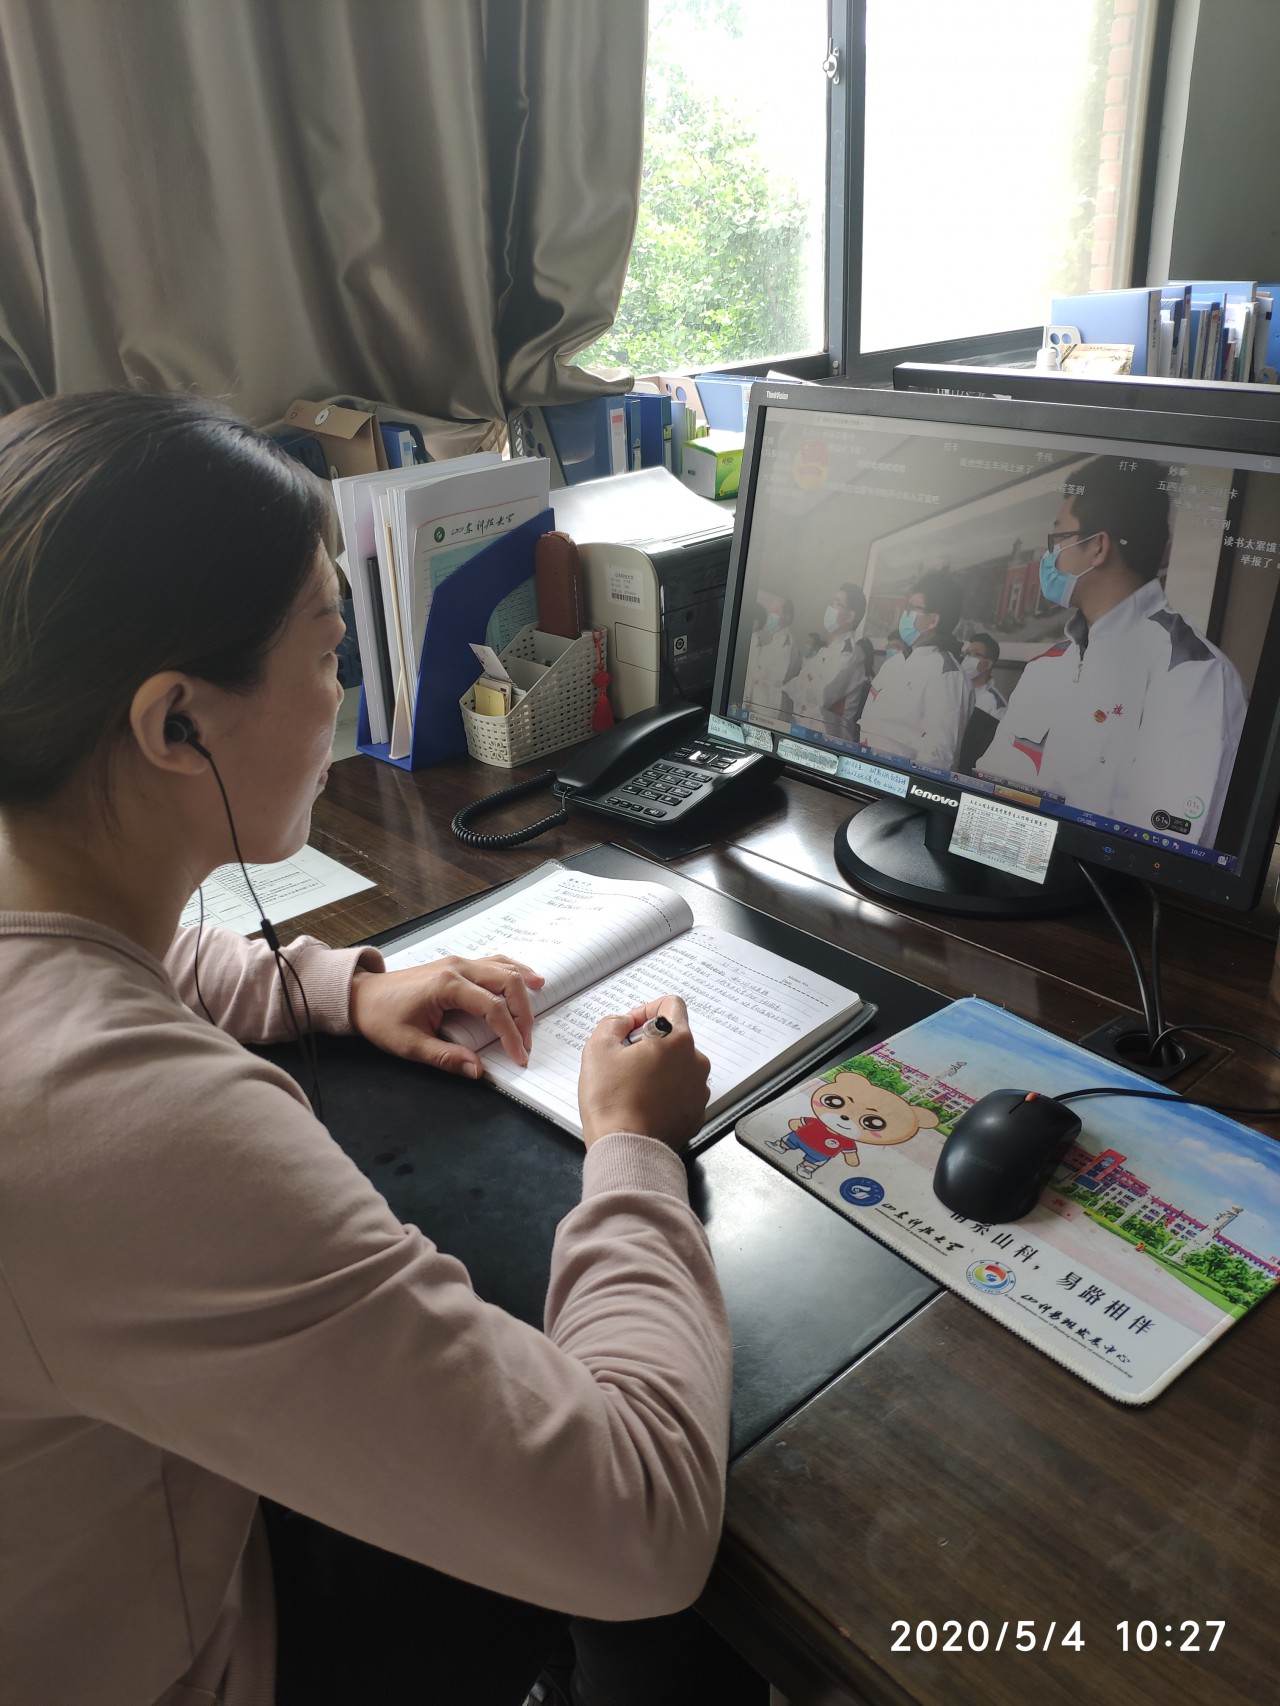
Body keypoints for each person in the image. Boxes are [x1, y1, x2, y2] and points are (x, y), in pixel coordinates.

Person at [0, 393, 737, 1706]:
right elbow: (639, 1518)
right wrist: (634, 1150)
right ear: (176, 726)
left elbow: (130, 958)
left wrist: (343, 986)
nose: (340, 691)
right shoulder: (126, 1131)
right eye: (330, 646)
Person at [977, 457, 1248, 844]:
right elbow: (989, 787)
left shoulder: (1193, 673)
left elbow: (1156, 849)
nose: (1049, 558)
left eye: (1058, 539)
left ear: (1098, 547)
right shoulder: (1047, 665)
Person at [859, 570, 974, 773]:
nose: (904, 614)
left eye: (912, 608)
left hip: (896, 781)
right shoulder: (893, 663)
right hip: (864, 768)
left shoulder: (947, 673)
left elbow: (937, 756)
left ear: (933, 620)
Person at [787, 581, 868, 745]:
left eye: (837, 604)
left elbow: (819, 696)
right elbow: (795, 685)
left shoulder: (849, 655)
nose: (830, 608)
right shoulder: (826, 651)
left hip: (829, 741)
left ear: (850, 616)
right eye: (831, 603)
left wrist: (803, 686)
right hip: (807, 732)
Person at [956, 631, 1007, 775]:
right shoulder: (955, 688)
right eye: (966, 653)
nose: (967, 658)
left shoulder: (996, 706)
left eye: (974, 654)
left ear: (987, 664)